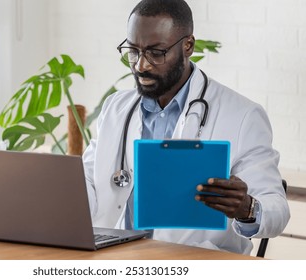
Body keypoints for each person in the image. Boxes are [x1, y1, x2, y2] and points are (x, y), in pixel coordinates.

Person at [82, 0, 290, 255]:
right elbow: (88, 181)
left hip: (197, 260)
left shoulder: (242, 115)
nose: (140, 65)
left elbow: (277, 210)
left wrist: (247, 208)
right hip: (117, 256)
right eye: (133, 50)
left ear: (188, 45)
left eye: (156, 52)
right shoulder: (116, 108)